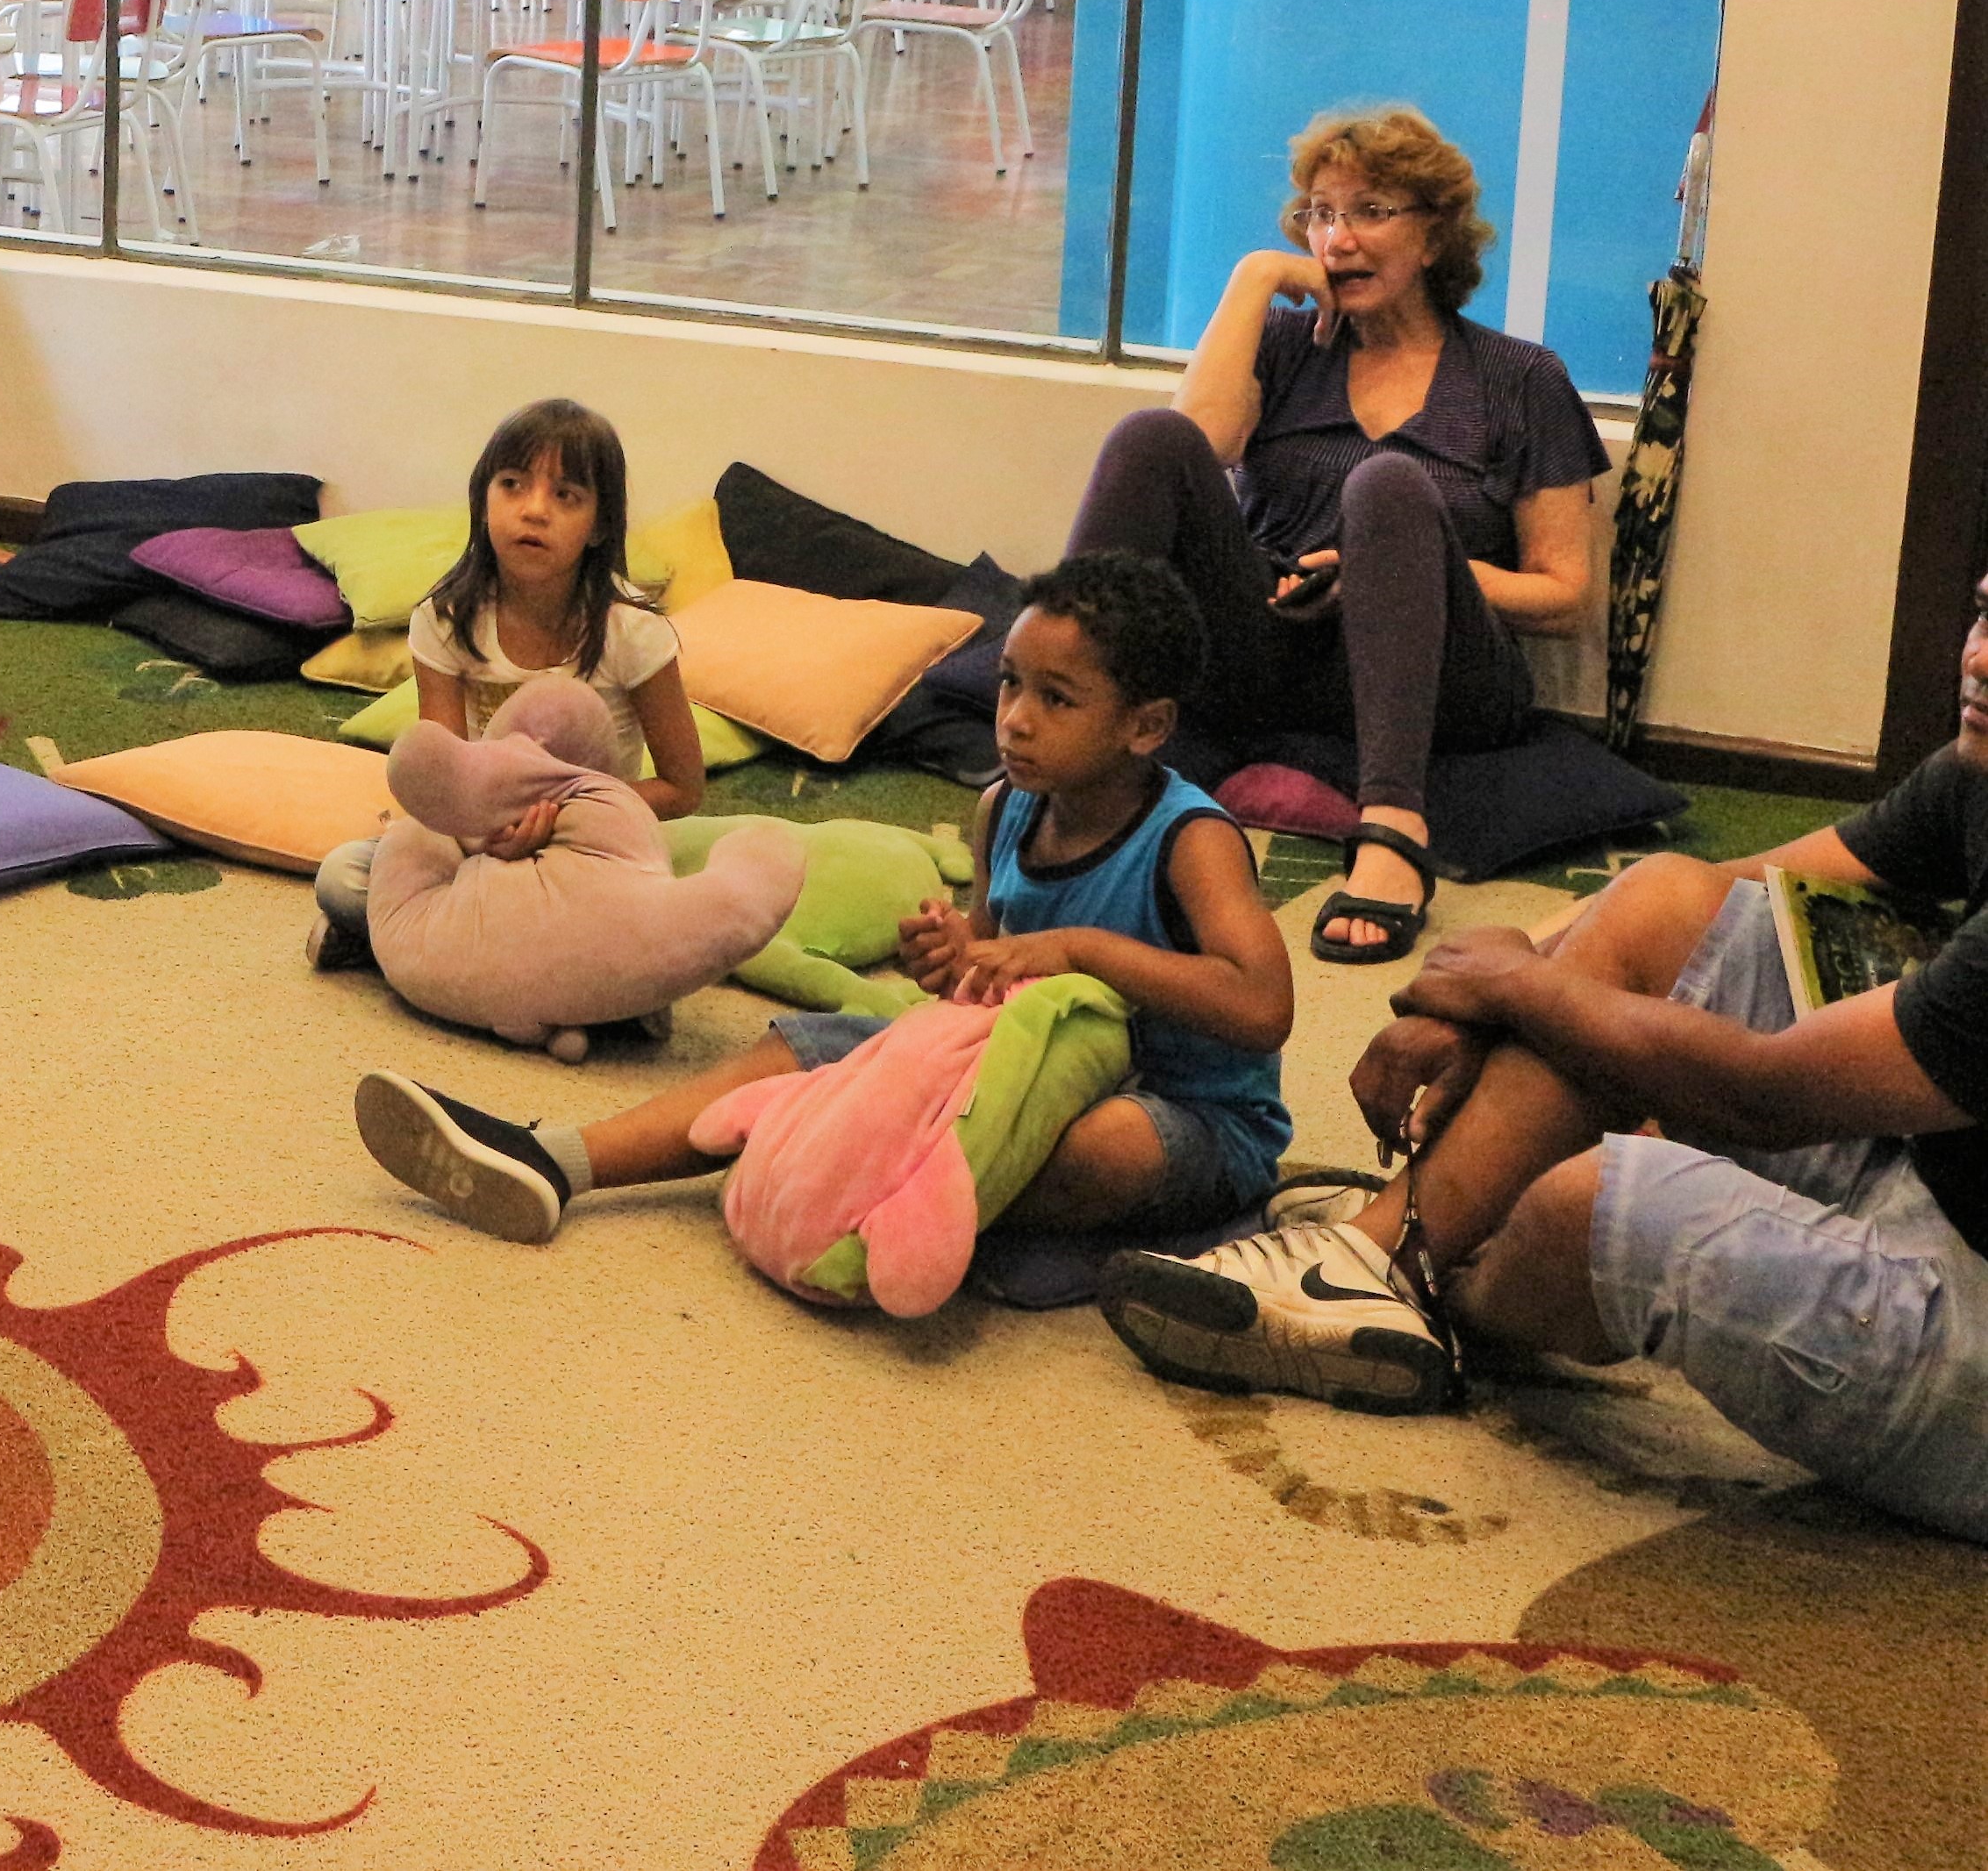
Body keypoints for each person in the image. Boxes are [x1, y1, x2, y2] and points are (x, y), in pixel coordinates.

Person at [1089, 577, 1988, 1546]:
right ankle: (1380, 1254)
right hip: (1933, 1175)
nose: (1976, 658)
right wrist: (1480, 995)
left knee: (1593, 1206)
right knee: (1661, 901)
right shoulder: (1974, 770)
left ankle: (1442, 1288)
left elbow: (1765, 1092)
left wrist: (1517, 990)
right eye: (1982, 610)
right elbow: (1723, 891)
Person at [353, 553, 1297, 1248]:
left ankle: (857, 1192)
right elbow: (986, 979)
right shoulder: (1003, 808)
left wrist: (1080, 948)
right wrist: (955, 957)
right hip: (1004, 1080)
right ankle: (559, 1157)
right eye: (1010, 683)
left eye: (1057, 698)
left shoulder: (1190, 839)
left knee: (1093, 1150)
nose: (1013, 719)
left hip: (1185, 1115)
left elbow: (1262, 1007)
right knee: (807, 1045)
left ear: (1146, 726)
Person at [1065, 105, 1606, 964]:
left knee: (1387, 485)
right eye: (1319, 213)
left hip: (1437, 676)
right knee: (1148, 436)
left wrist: (1402, 569)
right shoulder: (1286, 344)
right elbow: (1197, 451)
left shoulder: (1520, 379)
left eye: (1369, 211)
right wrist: (1252, 279)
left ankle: (1391, 832)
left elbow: (1565, 596)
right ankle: (1061, 742)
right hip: (1273, 646)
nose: (1336, 237)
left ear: (1432, 237)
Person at [310, 398, 711, 972]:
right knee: (342, 877)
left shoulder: (632, 631)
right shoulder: (446, 619)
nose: (534, 510)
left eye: (565, 495)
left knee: (654, 917)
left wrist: (562, 819)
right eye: (513, 485)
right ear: (483, 500)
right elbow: (444, 774)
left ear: (599, 525)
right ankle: (515, 966)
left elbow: (681, 788)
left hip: (590, 844)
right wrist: (484, 832)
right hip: (477, 837)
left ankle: (427, 949)